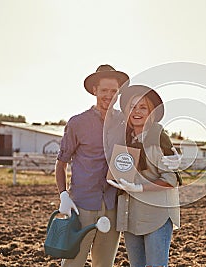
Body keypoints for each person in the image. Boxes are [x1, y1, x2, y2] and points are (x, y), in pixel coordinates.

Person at [55, 64, 129, 266]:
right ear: (94, 90)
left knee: (104, 264)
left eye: (114, 91)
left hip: (112, 205)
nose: (109, 95)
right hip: (82, 205)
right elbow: (61, 163)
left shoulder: (125, 122)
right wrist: (63, 195)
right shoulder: (77, 123)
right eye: (104, 90)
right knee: (72, 263)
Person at [107, 85, 181, 267]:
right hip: (131, 215)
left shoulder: (158, 137)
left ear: (151, 112)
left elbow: (171, 180)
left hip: (156, 215)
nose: (137, 111)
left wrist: (140, 187)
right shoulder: (126, 138)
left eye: (143, 107)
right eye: (133, 107)